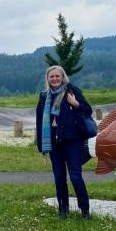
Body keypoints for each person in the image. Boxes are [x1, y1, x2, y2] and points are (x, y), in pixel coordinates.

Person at [35, 65, 93, 219]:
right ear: (47, 79)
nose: (54, 79)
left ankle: (85, 211)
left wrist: (76, 104)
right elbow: (39, 121)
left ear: (63, 77)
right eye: (51, 77)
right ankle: (63, 210)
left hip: (73, 141)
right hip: (53, 144)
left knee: (75, 176)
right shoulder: (44, 96)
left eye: (57, 76)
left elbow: (88, 110)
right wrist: (41, 145)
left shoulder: (72, 91)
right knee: (59, 177)